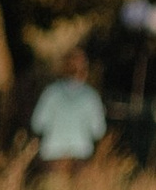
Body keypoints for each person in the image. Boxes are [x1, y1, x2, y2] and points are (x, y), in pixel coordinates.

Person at [28, 49, 108, 178]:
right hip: (80, 157)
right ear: (85, 71)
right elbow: (98, 131)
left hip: (52, 157)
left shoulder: (51, 93)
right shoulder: (91, 96)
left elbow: (37, 124)